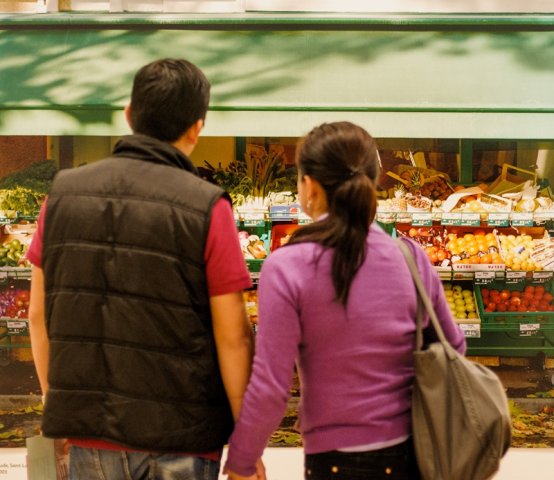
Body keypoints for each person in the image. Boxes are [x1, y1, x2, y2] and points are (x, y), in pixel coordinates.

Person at [27, 58, 257, 480]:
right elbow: (234, 336)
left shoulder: (59, 196)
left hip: (89, 438)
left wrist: (58, 404)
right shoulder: (207, 206)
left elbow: (38, 316)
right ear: (197, 128)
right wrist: (246, 442)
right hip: (183, 440)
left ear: (130, 114)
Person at [224, 121, 466, 480]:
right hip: (411, 454)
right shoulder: (410, 256)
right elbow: (454, 347)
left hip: (333, 459)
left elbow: (272, 385)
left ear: (309, 185)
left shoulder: (287, 265)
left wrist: (243, 460)